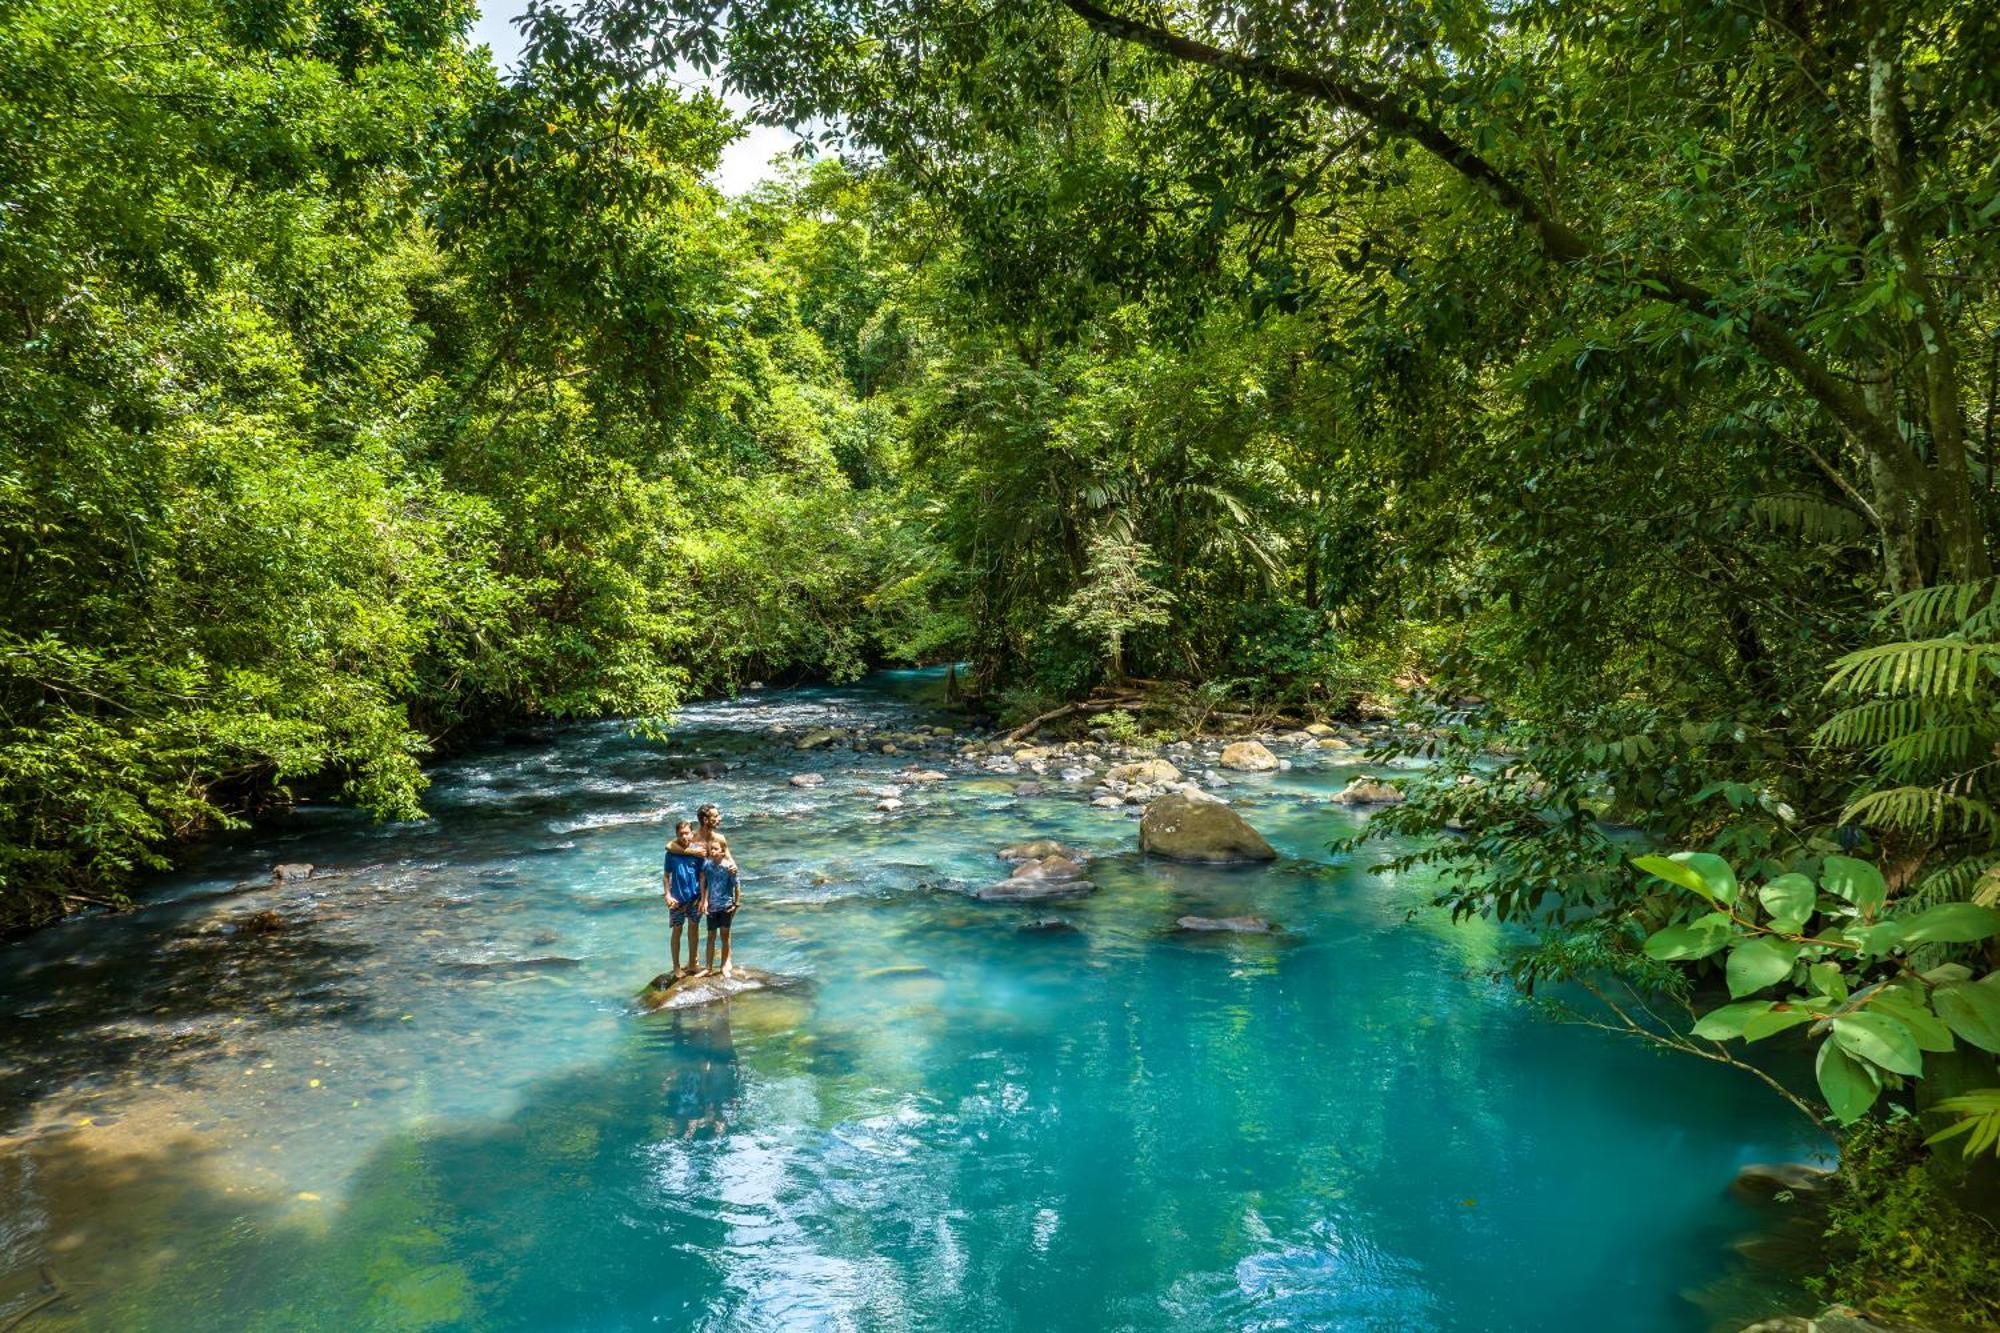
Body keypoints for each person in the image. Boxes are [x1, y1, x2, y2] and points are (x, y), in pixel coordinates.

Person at [693, 803, 741, 977]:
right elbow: (676, 848)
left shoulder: (720, 839)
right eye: (715, 816)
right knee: (698, 926)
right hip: (700, 888)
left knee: (726, 929)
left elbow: (730, 860)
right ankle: (698, 962)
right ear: (705, 820)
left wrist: (734, 868)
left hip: (722, 891)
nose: (719, 818)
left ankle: (727, 961)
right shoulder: (694, 839)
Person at [663, 820, 707, 979]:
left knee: (694, 929)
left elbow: (702, 876)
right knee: (677, 930)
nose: (684, 836)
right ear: (676, 835)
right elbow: (666, 876)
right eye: (680, 834)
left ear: (692, 833)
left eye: (687, 833)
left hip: (694, 898)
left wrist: (703, 899)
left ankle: (693, 963)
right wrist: (667, 895)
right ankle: (676, 966)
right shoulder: (671, 854)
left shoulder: (698, 852)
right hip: (676, 899)